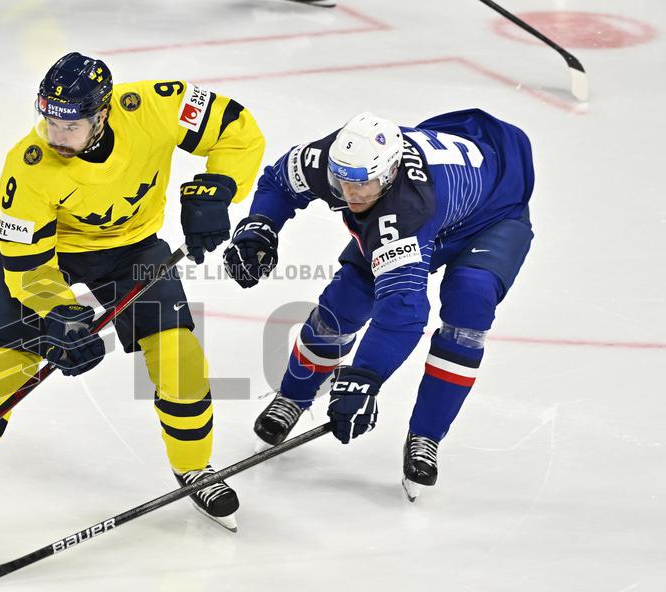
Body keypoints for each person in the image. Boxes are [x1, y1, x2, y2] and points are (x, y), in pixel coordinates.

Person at [0, 52, 265, 561]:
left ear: (103, 113)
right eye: (50, 120)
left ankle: (195, 468)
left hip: (132, 248)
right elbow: (26, 266)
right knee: (2, 372)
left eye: (70, 125)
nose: (56, 135)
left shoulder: (155, 106)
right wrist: (60, 316)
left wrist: (219, 189)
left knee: (181, 359)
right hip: (46, 257)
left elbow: (238, 130)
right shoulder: (28, 166)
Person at [223, 108, 533, 500]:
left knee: (469, 305)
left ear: (389, 174)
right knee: (343, 303)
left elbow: (403, 314)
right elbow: (279, 182)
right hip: (437, 202)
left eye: (362, 185)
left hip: (493, 212)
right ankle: (293, 396)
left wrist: (365, 377)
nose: (350, 194)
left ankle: (426, 435)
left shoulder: (403, 210)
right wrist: (260, 227)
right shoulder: (329, 158)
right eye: (341, 182)